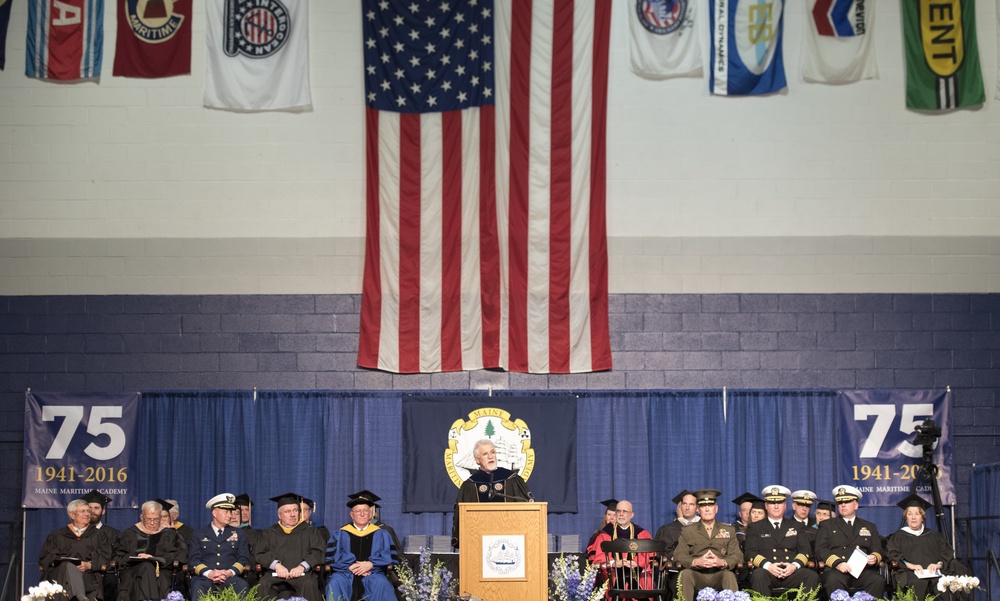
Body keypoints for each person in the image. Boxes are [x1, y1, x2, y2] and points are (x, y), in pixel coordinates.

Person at [887, 493, 972, 601]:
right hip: (910, 573)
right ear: (906, 517)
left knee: (942, 582)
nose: (913, 517)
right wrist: (910, 565)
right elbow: (893, 555)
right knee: (918, 583)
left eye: (917, 514)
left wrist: (938, 564)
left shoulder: (934, 535)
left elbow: (946, 553)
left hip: (935, 573)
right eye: (910, 514)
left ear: (922, 517)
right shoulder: (898, 537)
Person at [451, 439, 533, 547]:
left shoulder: (512, 479)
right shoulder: (470, 484)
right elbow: (461, 518)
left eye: (493, 452)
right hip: (478, 543)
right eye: (485, 454)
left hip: (511, 541)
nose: (491, 456)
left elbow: (528, 509)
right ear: (477, 460)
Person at [744, 485, 820, 596]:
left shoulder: (797, 526)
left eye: (779, 503)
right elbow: (750, 552)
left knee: (811, 576)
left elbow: (805, 551)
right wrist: (768, 566)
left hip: (791, 571)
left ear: (784, 506)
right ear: (766, 505)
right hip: (768, 571)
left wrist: (794, 566)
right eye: (772, 503)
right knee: (758, 575)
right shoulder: (755, 527)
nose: (776, 506)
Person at [815, 485, 885, 598]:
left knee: (878, 580)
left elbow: (878, 548)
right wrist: (837, 563)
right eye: (840, 502)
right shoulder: (827, 525)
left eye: (847, 501)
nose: (843, 505)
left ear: (856, 505)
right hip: (836, 570)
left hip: (862, 571)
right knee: (832, 580)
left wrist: (874, 557)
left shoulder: (869, 526)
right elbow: (820, 549)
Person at [253, 492, 326, 601]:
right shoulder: (269, 532)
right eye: (287, 511)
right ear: (279, 515)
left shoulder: (310, 531)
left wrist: (302, 566)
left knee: (309, 584)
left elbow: (318, 552)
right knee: (264, 584)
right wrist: (276, 565)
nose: (292, 514)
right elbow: (260, 553)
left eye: (295, 510)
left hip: (302, 575)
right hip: (274, 575)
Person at [326, 491, 397, 601]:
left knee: (382, 583)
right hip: (345, 572)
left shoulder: (381, 534)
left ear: (370, 514)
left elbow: (388, 558)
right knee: (335, 582)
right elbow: (332, 559)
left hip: (373, 572)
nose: (362, 514)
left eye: (365, 511)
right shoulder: (340, 533)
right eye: (358, 511)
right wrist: (349, 567)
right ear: (352, 515)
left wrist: (371, 564)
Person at [674, 489, 743, 601]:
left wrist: (722, 562)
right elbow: (679, 555)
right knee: (685, 574)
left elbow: (737, 555)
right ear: (698, 510)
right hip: (697, 574)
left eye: (710, 505)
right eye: (703, 506)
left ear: (716, 509)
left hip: (719, 573)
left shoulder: (728, 530)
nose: (707, 509)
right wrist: (696, 562)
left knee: (729, 575)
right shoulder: (688, 530)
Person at [39, 499, 112, 601]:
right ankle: (80, 597)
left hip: (88, 575)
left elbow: (106, 557)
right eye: (83, 511)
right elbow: (47, 557)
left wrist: (89, 565)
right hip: (60, 576)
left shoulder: (99, 535)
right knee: (67, 566)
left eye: (88, 511)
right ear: (72, 515)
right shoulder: (57, 535)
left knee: (70, 570)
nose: (87, 514)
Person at [116, 500, 187, 601]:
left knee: (147, 565)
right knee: (145, 566)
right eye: (148, 519)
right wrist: (136, 558)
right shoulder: (129, 534)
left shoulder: (170, 534)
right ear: (141, 517)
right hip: (133, 574)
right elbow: (118, 557)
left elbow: (181, 556)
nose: (152, 523)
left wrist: (153, 559)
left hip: (162, 572)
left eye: (156, 519)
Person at [188, 493, 252, 600]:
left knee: (242, 586)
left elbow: (243, 558)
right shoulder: (198, 534)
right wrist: (210, 573)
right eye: (226, 512)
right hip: (205, 578)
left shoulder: (239, 533)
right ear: (214, 513)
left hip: (230, 578)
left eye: (231, 512)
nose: (230, 515)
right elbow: (193, 561)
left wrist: (229, 572)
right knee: (198, 587)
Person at [82, 490, 119, 601]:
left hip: (106, 574)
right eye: (90, 508)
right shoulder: (77, 532)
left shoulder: (113, 534)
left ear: (103, 511)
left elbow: (117, 555)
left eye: (96, 508)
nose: (92, 511)